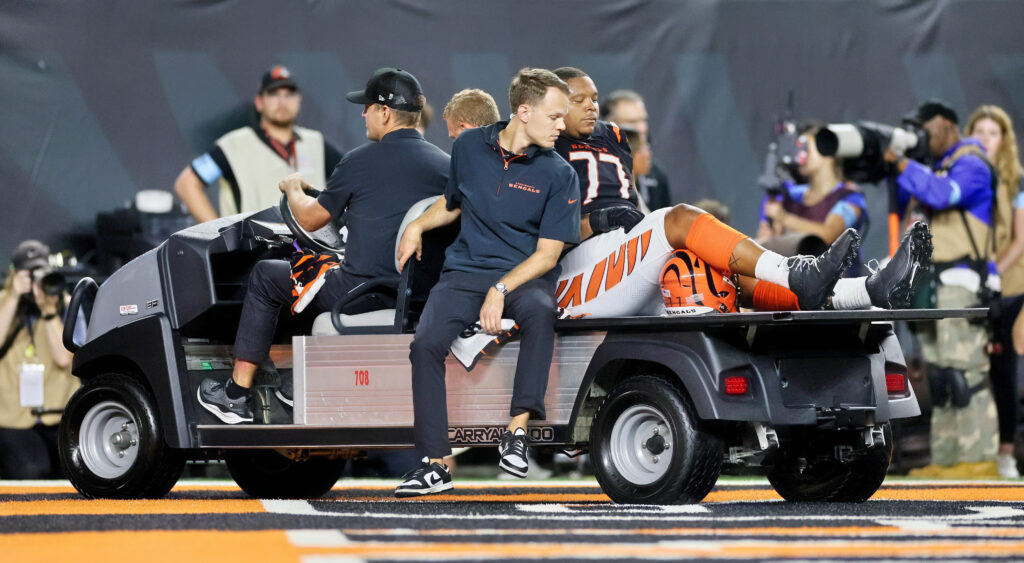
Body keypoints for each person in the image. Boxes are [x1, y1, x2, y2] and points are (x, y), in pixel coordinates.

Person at [551, 67, 929, 320]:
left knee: (706, 269)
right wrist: (596, 221)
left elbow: (635, 208)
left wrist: (639, 224)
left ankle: (866, 290)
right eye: (578, 99)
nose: (591, 106)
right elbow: (534, 236)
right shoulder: (538, 150)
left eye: (594, 97)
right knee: (680, 218)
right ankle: (795, 272)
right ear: (550, 107)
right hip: (572, 277)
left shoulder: (612, 139)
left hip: (617, 260)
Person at [196, 67, 449, 424]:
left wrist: (292, 189)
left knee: (269, 275)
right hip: (415, 296)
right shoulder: (446, 166)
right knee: (311, 271)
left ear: (385, 113)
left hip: (358, 292)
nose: (362, 114)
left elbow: (311, 220)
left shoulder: (359, 160)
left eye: (368, 107)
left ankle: (235, 394)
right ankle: (295, 384)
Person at [393, 68, 580, 497]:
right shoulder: (469, 147)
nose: (560, 126)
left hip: (523, 275)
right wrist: (417, 226)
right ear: (524, 111)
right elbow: (452, 203)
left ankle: (516, 432)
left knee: (540, 309)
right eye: (554, 117)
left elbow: (548, 255)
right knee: (424, 345)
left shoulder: (560, 173)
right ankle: (436, 464)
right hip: (464, 273)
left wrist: (501, 289)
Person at [886, 100, 1000, 478]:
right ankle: (948, 460)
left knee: (965, 373)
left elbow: (944, 195)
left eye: (926, 128)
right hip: (932, 283)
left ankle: (980, 457)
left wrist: (904, 165)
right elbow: (910, 201)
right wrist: (892, 166)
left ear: (949, 126)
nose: (922, 135)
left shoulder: (973, 163)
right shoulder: (934, 167)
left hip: (963, 280)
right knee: (938, 376)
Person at [173, 65, 343, 223]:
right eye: (274, 94)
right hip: (255, 251)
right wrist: (218, 234)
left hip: (314, 249)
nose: (282, 102)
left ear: (299, 101)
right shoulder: (234, 145)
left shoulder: (316, 143)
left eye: (289, 94)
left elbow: (350, 179)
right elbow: (187, 183)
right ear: (259, 102)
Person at [966, 104, 1024, 478]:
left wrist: (992, 274)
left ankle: (1005, 451)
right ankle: (975, 452)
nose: (985, 138)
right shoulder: (965, 175)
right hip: (970, 286)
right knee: (968, 371)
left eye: (992, 131)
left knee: (1005, 368)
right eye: (979, 130)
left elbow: (1020, 241)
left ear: (1004, 139)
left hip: (1009, 286)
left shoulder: (1016, 182)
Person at [0, 240, 79, 479]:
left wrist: (48, 310)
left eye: (40, 273)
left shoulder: (65, 305)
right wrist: (13, 297)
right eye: (28, 274)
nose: (35, 281)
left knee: (75, 470)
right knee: (31, 469)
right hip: (12, 419)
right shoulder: (4, 301)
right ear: (14, 274)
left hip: (59, 416)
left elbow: (64, 359)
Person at [757, 122, 868, 246]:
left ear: (826, 150)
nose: (799, 154)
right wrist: (768, 237)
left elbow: (829, 235)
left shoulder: (851, 198)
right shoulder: (790, 195)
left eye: (805, 147)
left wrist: (784, 218)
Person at [601, 89, 672, 209]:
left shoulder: (655, 174)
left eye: (643, 120)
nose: (642, 128)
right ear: (608, 124)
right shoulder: (594, 170)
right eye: (632, 122)